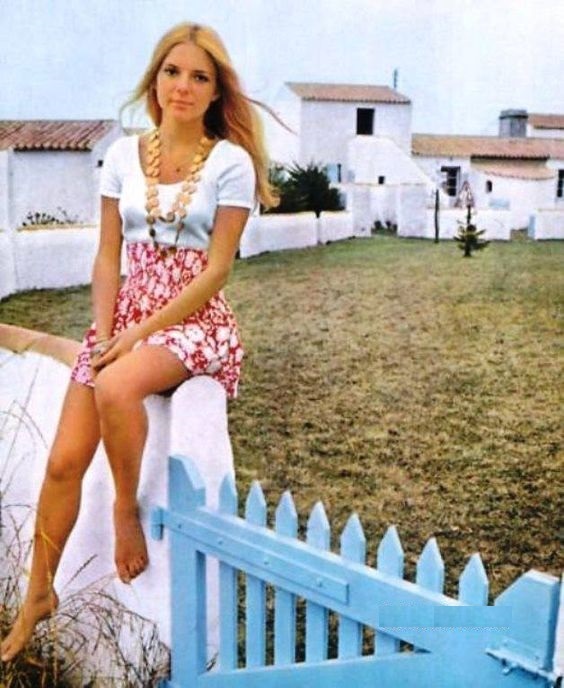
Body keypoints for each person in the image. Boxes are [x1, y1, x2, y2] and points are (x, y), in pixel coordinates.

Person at [1, 21, 278, 663]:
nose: (183, 86)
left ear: (216, 92)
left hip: (194, 319)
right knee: (63, 462)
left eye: (199, 77)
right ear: (155, 81)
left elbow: (217, 270)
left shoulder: (230, 163)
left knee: (118, 384)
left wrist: (136, 336)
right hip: (125, 314)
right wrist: (106, 333)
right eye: (172, 72)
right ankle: (38, 593)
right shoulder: (124, 156)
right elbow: (107, 256)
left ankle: (125, 510)